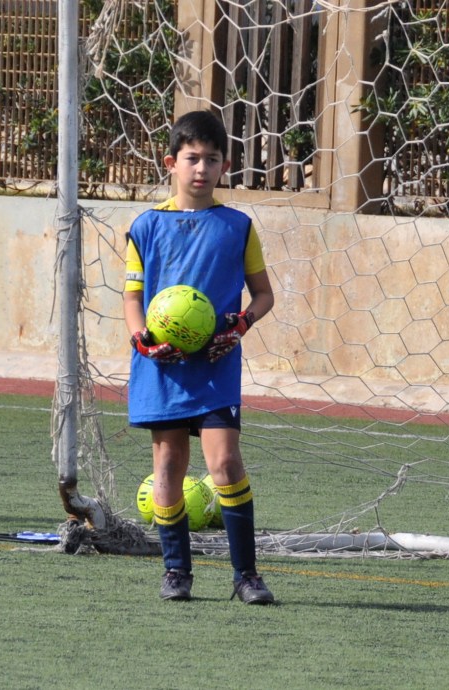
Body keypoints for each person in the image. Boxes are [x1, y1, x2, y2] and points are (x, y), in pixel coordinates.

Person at [123, 110, 276, 604]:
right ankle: (176, 572)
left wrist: (241, 324)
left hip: (215, 363)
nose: (202, 169)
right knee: (168, 464)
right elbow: (132, 297)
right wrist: (141, 339)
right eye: (192, 158)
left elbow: (264, 295)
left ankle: (246, 575)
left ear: (225, 166)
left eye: (212, 159)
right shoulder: (146, 226)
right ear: (171, 163)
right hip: (162, 365)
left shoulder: (238, 227)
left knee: (226, 462)